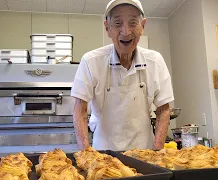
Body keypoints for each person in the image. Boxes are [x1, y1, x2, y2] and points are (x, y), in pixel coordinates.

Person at [71, 0, 174, 151]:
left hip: (145, 153)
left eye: (133, 23)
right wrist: (86, 154)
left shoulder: (155, 61)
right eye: (118, 23)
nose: (126, 32)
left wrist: (157, 151)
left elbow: (164, 109)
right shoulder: (91, 61)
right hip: (104, 155)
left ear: (142, 26)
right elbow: (79, 109)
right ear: (107, 28)